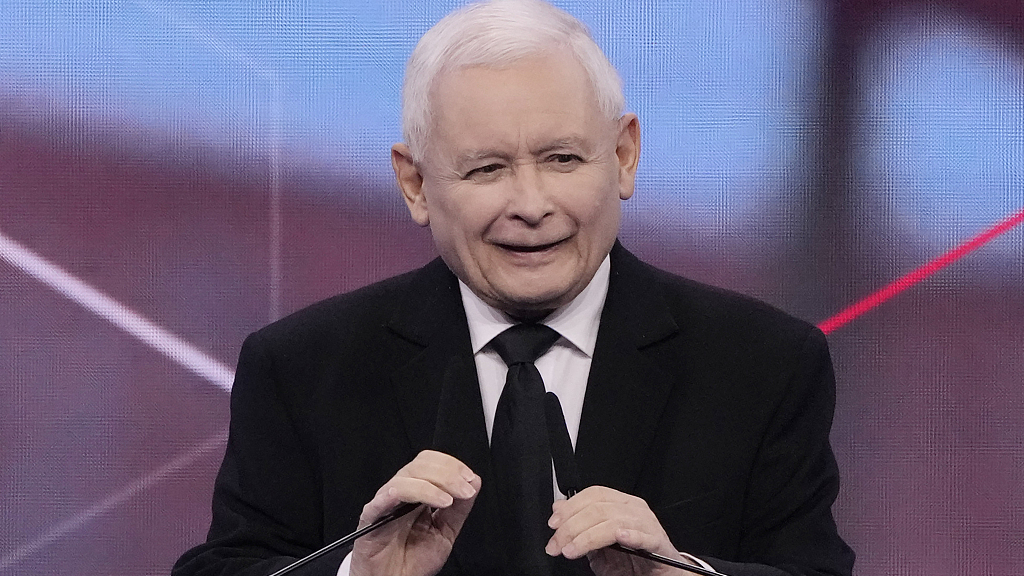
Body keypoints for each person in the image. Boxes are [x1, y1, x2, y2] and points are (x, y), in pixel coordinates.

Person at [172, 1, 855, 575]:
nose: (530, 204)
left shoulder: (763, 365)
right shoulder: (301, 369)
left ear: (623, 156)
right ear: (415, 183)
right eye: (486, 169)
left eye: (562, 159)